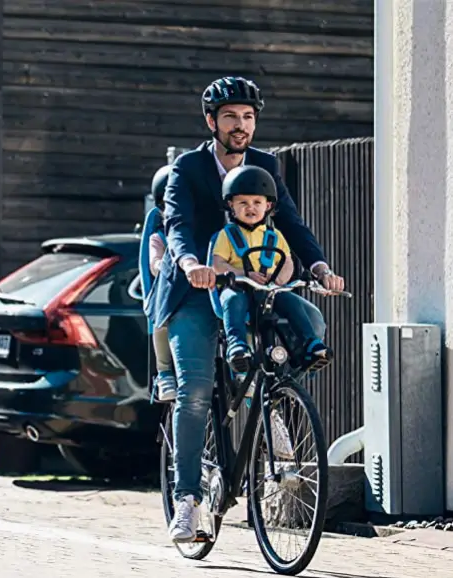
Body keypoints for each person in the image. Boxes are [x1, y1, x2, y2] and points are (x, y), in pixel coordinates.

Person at [143, 75, 345, 544]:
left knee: (306, 325)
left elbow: (292, 223)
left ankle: (273, 405)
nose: (241, 126)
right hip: (195, 290)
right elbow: (177, 223)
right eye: (231, 116)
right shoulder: (188, 167)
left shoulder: (264, 164)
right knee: (194, 392)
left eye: (248, 117)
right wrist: (191, 262)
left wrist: (318, 266)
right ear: (211, 121)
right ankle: (188, 501)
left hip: (252, 288)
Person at [211, 164, 332, 375]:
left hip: (269, 291)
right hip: (240, 288)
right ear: (231, 205)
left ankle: (310, 344)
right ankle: (237, 346)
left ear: (268, 206)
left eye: (257, 202)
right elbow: (218, 263)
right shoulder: (227, 235)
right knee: (232, 301)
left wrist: (279, 282)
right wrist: (242, 275)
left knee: (293, 304)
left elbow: (287, 262)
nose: (251, 208)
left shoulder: (274, 236)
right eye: (243, 203)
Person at [147, 165, 176, 402]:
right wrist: (166, 264)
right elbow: (154, 264)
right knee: (161, 322)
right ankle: (164, 371)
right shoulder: (159, 238)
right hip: (168, 288)